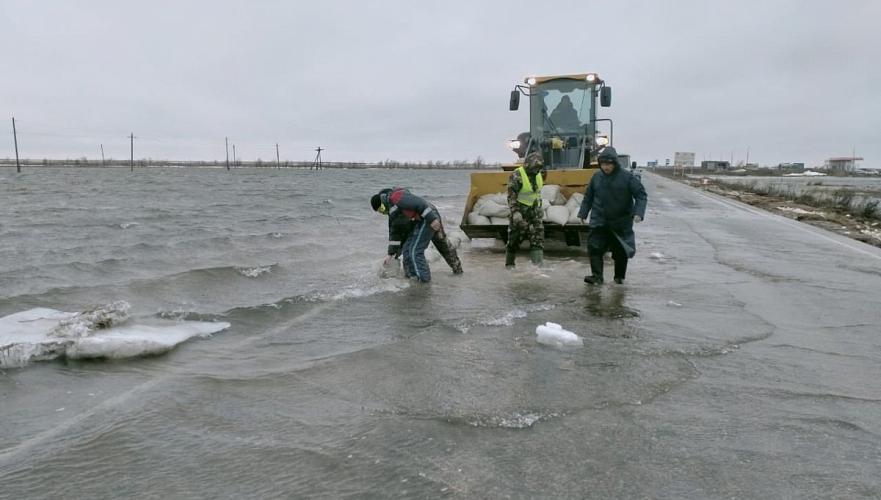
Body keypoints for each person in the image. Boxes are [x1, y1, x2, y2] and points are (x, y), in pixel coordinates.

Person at [578, 146, 647, 284]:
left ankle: (619, 277)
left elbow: (641, 195)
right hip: (599, 219)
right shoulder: (597, 177)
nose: (605, 167)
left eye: (608, 164)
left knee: (620, 251)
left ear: (615, 163)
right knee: (594, 247)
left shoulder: (627, 178)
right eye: (603, 164)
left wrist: (638, 213)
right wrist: (583, 213)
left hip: (620, 221)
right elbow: (588, 197)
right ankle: (597, 277)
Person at [370, 188, 462, 282]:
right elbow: (395, 234)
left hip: (429, 216)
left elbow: (419, 203)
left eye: (382, 209)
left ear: (383, 200)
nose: (383, 212)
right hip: (419, 221)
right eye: (380, 212)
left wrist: (432, 219)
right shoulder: (392, 213)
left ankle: (425, 282)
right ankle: (412, 278)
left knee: (438, 243)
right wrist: (391, 254)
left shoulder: (396, 197)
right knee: (407, 251)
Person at [506, 152, 545, 267]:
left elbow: (537, 192)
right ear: (528, 165)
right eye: (534, 168)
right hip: (521, 212)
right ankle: (509, 265)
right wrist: (515, 212)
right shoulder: (517, 175)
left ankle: (538, 269)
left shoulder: (538, 174)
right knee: (514, 240)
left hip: (535, 212)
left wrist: (539, 206)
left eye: (538, 168)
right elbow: (511, 196)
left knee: (537, 239)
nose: (536, 171)